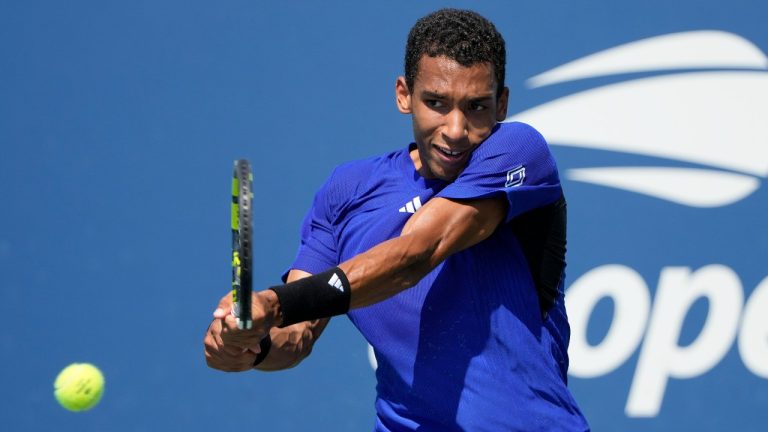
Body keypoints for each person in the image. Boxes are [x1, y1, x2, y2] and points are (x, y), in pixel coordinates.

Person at [204, 8, 589, 431]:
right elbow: (296, 336)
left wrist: (273, 304)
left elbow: (417, 253)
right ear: (404, 94)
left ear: (502, 103)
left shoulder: (518, 151)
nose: (456, 129)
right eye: (436, 103)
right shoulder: (347, 192)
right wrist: (251, 342)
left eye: (476, 107)